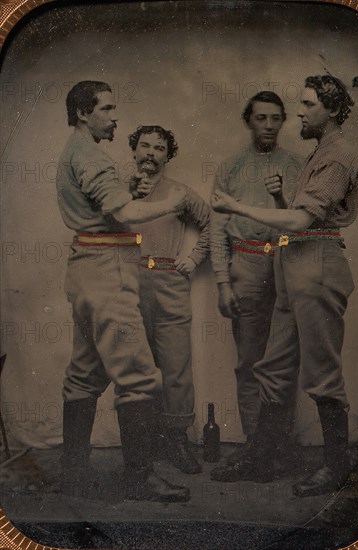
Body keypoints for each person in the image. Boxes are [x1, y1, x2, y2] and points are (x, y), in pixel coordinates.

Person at [210, 75, 358, 497]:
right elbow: (293, 216)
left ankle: (336, 465)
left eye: (308, 105)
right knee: (273, 369)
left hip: (316, 265)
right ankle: (261, 458)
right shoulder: (319, 153)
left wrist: (236, 205)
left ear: (330, 111)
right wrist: (278, 199)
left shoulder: (339, 156)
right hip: (292, 264)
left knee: (322, 372)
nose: (300, 113)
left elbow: (300, 222)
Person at [56, 81, 190, 502]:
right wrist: (171, 204)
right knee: (139, 378)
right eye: (107, 108)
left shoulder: (76, 152)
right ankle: (141, 479)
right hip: (107, 273)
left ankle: (73, 476)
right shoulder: (91, 155)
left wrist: (129, 193)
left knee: (85, 374)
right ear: (82, 112)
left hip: (86, 269)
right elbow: (126, 213)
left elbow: (108, 206)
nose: (115, 117)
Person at [210, 92, 301, 459]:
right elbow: (217, 228)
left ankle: (277, 444)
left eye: (275, 118)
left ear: (283, 121)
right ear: (248, 120)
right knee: (249, 360)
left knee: (283, 360)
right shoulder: (230, 168)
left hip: (284, 265)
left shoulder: (297, 165)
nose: (268, 125)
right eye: (260, 118)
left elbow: (302, 220)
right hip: (245, 268)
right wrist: (222, 281)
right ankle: (253, 445)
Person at [128, 125, 210, 474]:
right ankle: (141, 447)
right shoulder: (117, 191)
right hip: (129, 284)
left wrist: (192, 259)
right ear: (134, 150)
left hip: (170, 283)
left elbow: (212, 224)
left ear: (167, 154)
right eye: (144, 146)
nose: (150, 153)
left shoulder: (180, 193)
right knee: (136, 367)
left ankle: (176, 441)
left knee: (175, 367)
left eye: (158, 147)